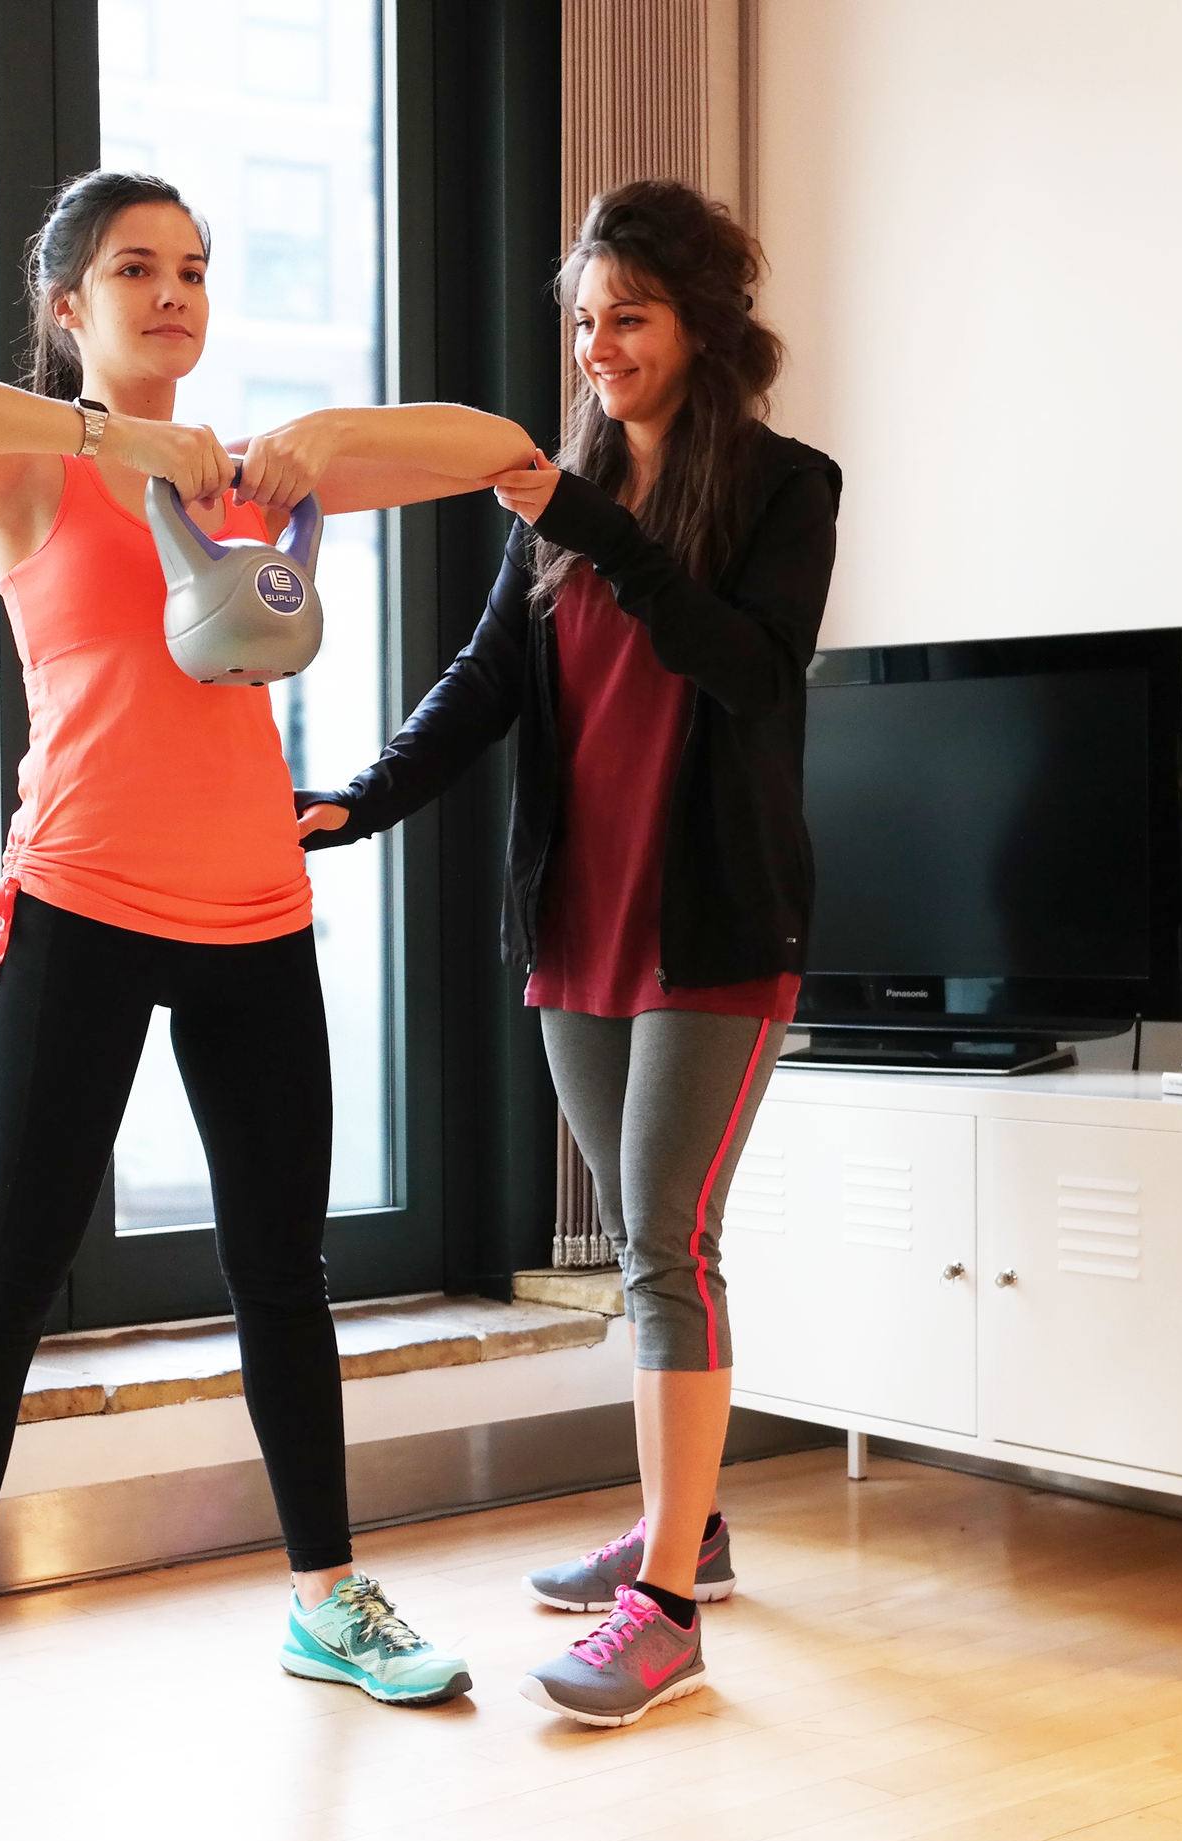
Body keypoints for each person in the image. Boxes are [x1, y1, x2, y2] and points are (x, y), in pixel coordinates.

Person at [0, 170, 536, 1782]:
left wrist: (310, 441)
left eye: (196, 271)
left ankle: (326, 1597)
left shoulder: (245, 477)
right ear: (67, 307)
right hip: (81, 904)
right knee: (8, 1281)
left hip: (252, 916)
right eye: (136, 270)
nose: (174, 294)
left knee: (280, 1276)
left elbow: (498, 447)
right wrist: (108, 439)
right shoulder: (35, 469)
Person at [298, 179, 841, 1728]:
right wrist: (359, 800)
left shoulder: (783, 490)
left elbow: (746, 668)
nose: (598, 347)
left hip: (718, 928)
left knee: (668, 1243)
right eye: (584, 320)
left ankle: (666, 1605)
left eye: (632, 317)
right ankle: (697, 1525)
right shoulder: (563, 504)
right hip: (578, 924)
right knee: (645, 1248)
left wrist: (589, 521)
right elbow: (482, 686)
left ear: (706, 328)